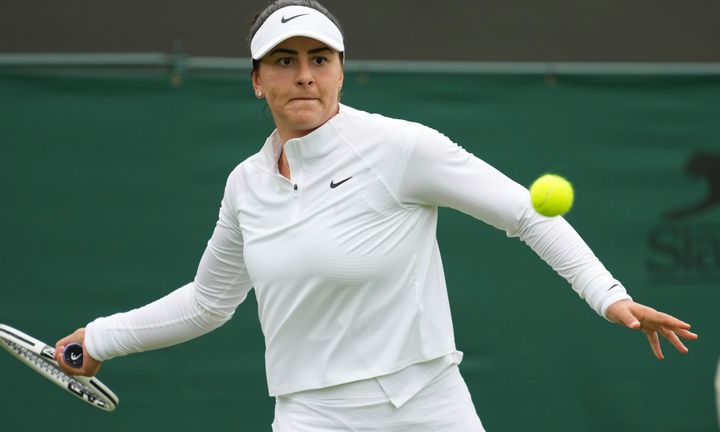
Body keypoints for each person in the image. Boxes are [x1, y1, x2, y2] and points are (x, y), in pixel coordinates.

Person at [55, 1, 699, 430]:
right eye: (284, 61)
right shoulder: (245, 186)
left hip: (428, 405)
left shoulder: (402, 148)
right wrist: (101, 338)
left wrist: (609, 296)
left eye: (319, 60)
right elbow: (207, 302)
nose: (304, 76)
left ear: (340, 71)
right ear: (257, 80)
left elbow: (528, 214)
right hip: (310, 416)